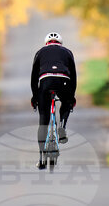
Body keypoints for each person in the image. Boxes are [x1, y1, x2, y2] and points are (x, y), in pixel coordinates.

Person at [30, 31, 77, 169]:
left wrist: (35, 96)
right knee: (65, 103)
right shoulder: (68, 52)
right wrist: (71, 97)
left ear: (46, 43)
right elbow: (73, 77)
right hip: (64, 81)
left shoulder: (40, 52)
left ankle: (41, 158)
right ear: (60, 43)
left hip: (45, 82)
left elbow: (33, 78)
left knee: (43, 119)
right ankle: (62, 127)